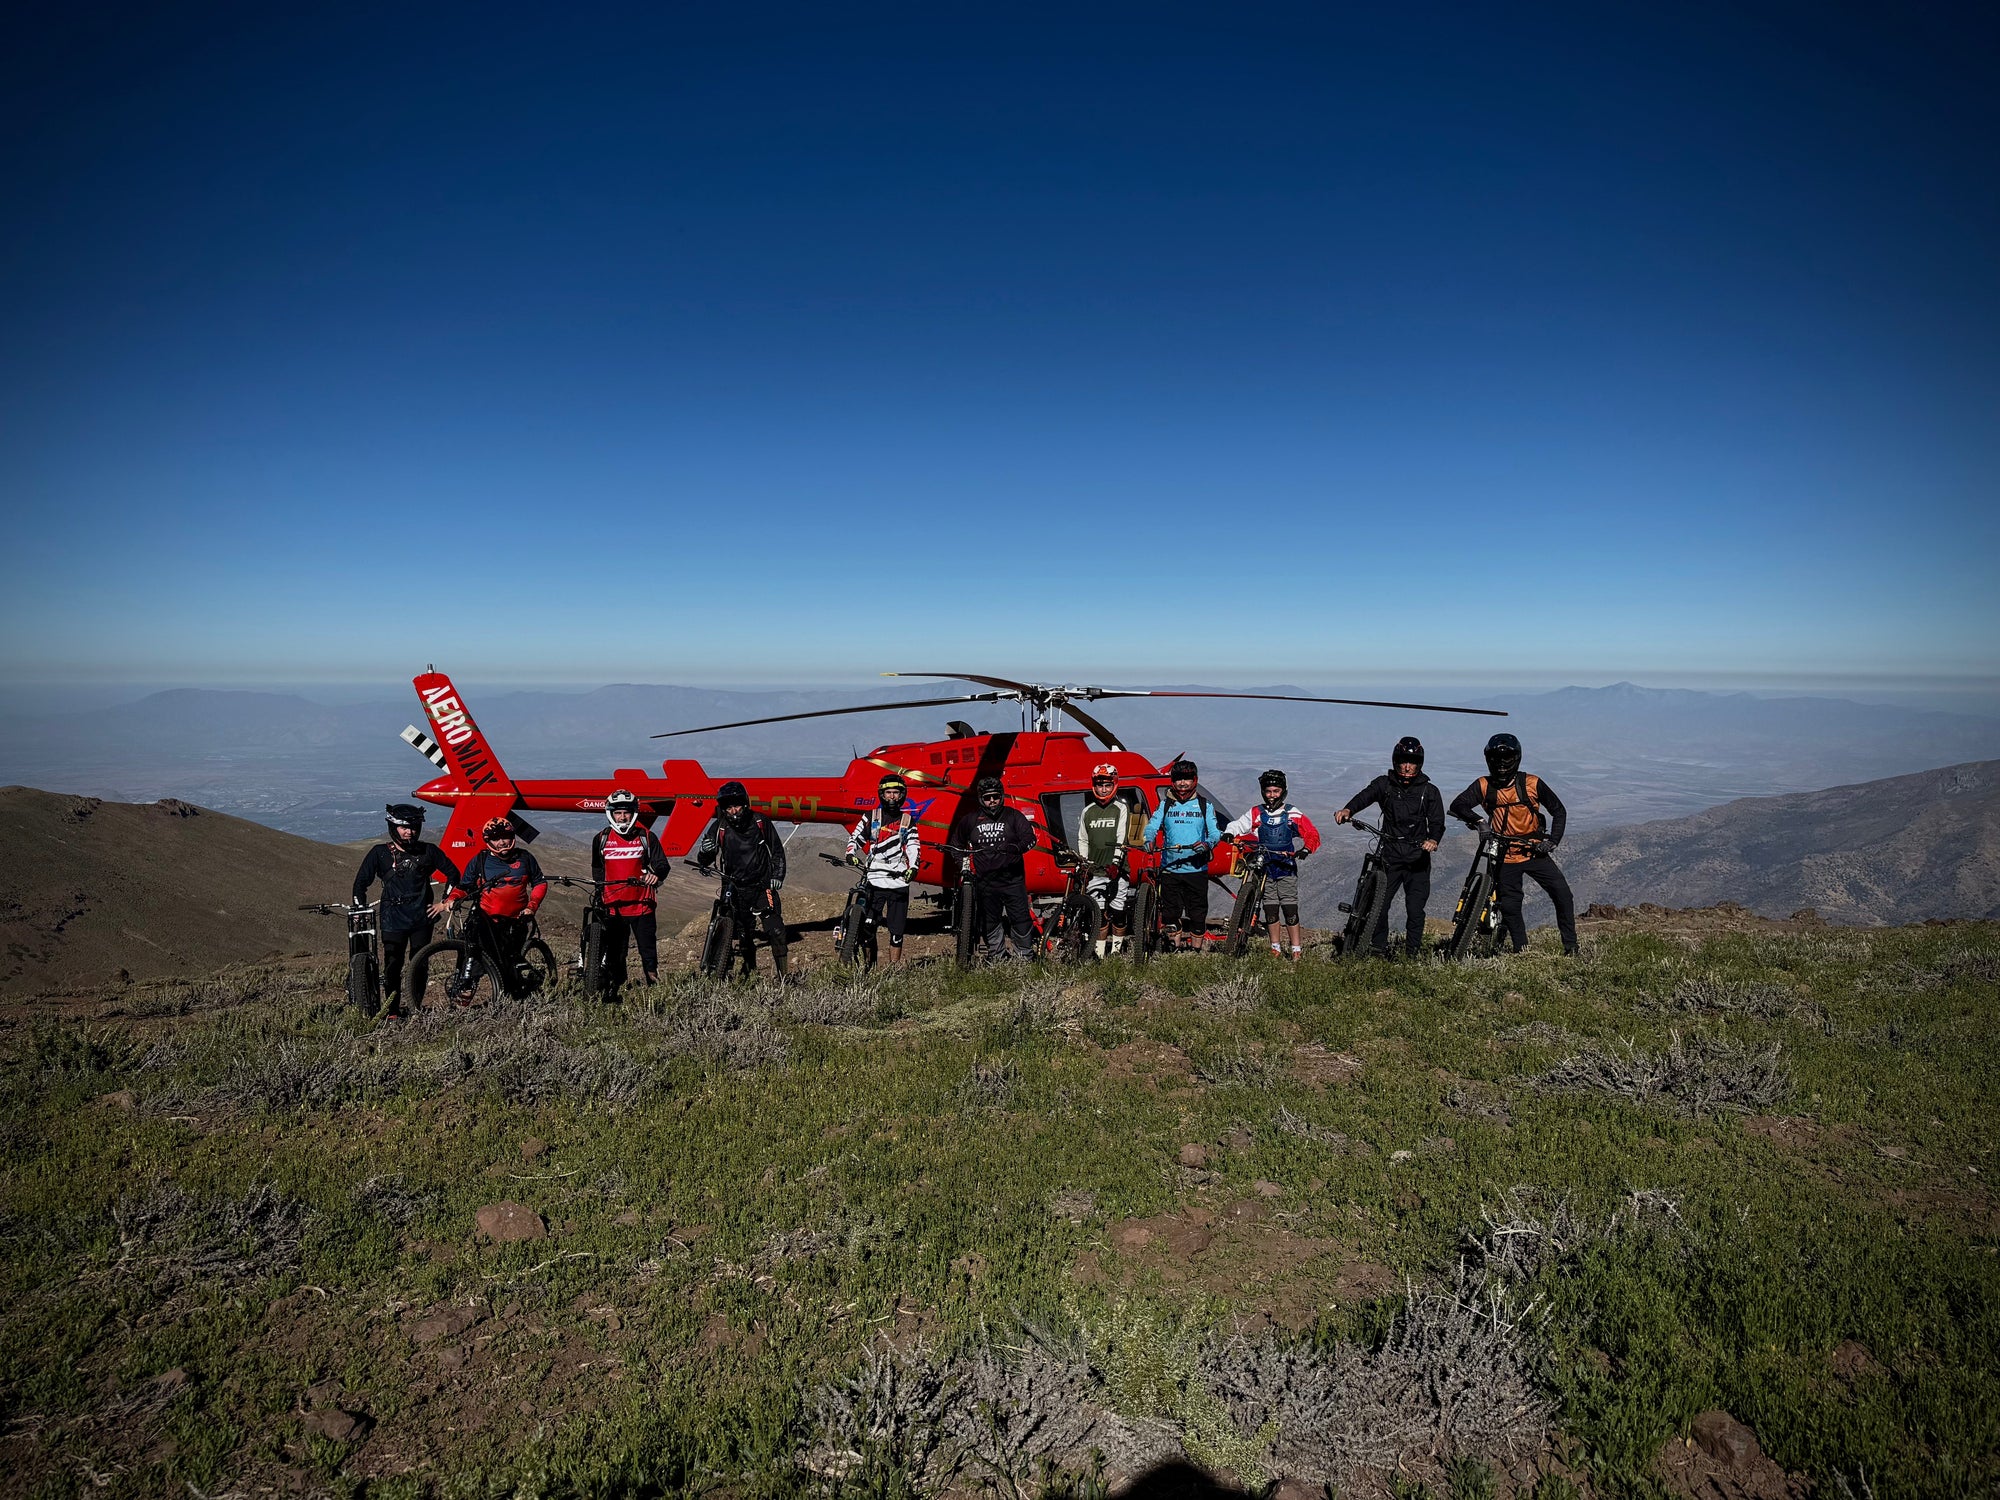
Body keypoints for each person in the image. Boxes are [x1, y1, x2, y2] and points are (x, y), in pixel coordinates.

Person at [1448, 733, 1578, 956]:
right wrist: (1480, 822)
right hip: (1505, 854)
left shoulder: (1531, 783)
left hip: (1534, 850)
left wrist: (1553, 841)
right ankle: (1522, 951)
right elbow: (1458, 805)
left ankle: (1571, 947)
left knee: (1562, 894)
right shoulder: (1484, 785)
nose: (1501, 763)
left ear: (1516, 758)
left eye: (1506, 758)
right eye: (1496, 758)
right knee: (1510, 905)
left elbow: (1559, 811)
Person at [1334, 737, 1445, 958]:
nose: (1407, 766)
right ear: (1396, 761)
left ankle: (1411, 954)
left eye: (1412, 762)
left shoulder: (1429, 791)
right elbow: (1364, 796)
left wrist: (1433, 840)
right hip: (1390, 855)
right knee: (1380, 906)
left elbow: (1437, 822)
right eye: (1403, 761)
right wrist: (1348, 810)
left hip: (1417, 858)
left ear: (1419, 764)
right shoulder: (1384, 784)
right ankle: (1378, 949)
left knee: (1415, 909)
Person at [350, 803, 460, 1016]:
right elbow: (360, 883)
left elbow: (453, 875)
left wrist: (444, 903)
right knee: (392, 964)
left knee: (419, 964)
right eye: (404, 827)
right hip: (392, 918)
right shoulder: (379, 853)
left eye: (413, 827)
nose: (409, 831)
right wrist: (359, 908)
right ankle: (391, 1011)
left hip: (422, 917)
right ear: (393, 827)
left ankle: (415, 1007)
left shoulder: (429, 851)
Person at [1225, 769, 1321, 961]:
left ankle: (1296, 950)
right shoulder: (1256, 812)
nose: (1272, 795)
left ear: (1283, 791)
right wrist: (1229, 832)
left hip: (1285, 865)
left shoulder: (1292, 812)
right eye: (1268, 791)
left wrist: (1306, 849)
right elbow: (1238, 824)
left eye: (1276, 791)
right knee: (1270, 909)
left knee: (1290, 908)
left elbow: (1311, 833)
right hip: (1265, 867)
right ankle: (1275, 948)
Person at [449, 816, 549, 1000]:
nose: (502, 841)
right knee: (476, 955)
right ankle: (465, 993)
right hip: (486, 919)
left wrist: (532, 907)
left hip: (516, 921)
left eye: (505, 836)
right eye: (496, 838)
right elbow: (464, 886)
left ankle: (516, 997)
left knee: (508, 966)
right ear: (488, 841)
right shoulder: (480, 860)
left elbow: (540, 883)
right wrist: (453, 898)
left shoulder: (525, 858)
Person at [693, 781, 788, 969]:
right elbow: (704, 859)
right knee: (743, 935)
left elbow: (777, 851)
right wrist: (704, 852)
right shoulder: (719, 827)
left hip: (762, 886)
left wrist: (777, 876)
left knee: (776, 930)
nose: (733, 811)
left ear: (744, 803)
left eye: (736, 805)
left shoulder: (760, 821)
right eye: (728, 807)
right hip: (733, 888)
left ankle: (784, 978)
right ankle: (748, 973)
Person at [1142, 759, 1228, 951]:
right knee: (1171, 916)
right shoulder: (1165, 805)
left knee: (1197, 916)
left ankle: (1196, 953)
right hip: (1170, 869)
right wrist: (1148, 839)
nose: (1183, 783)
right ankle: (1175, 951)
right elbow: (1152, 827)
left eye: (1187, 779)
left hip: (1196, 869)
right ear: (1173, 781)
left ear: (1194, 780)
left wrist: (1207, 844)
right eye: (1179, 779)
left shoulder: (1205, 806)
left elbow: (1215, 833)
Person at [591, 788, 671, 991]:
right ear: (611, 813)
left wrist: (656, 875)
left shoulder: (647, 837)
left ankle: (654, 986)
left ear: (634, 812)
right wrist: (600, 892)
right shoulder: (600, 839)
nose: (622, 816)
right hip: (613, 907)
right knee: (616, 952)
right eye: (618, 812)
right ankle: (616, 989)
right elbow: (598, 869)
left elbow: (662, 865)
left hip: (642, 905)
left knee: (648, 951)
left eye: (626, 812)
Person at [845, 772, 922, 964]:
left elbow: (913, 847)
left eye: (896, 792)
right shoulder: (871, 816)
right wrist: (850, 853)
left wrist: (913, 867)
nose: (892, 797)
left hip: (898, 881)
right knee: (868, 928)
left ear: (902, 795)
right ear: (882, 794)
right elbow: (855, 838)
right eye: (888, 793)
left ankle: (893, 970)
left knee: (897, 932)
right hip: (874, 879)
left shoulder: (907, 821)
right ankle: (870, 968)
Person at [961, 775, 1037, 959]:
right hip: (986, 882)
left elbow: (1030, 839)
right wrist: (964, 866)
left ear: (1001, 796)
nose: (992, 801)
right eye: (987, 798)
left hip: (1013, 880)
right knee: (990, 920)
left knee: (1020, 919)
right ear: (981, 799)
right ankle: (997, 956)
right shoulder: (970, 820)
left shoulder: (1013, 816)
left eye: (995, 796)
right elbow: (957, 845)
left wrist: (1017, 848)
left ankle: (1024, 956)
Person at [1072, 762, 1137, 956]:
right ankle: (1100, 955)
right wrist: (1084, 863)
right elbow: (1082, 839)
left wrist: (1116, 863)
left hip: (1117, 870)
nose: (1103, 789)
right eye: (1100, 785)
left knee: (1118, 913)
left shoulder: (1120, 808)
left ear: (1114, 785)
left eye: (1107, 785)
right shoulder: (1088, 811)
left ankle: (1116, 951)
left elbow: (1121, 837)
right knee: (1098, 915)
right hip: (1096, 871)